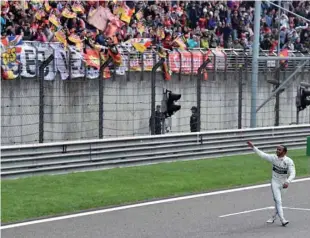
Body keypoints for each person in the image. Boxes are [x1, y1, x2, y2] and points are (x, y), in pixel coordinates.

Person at [247, 141, 296, 226]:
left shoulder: (289, 161)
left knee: (278, 202)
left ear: (284, 152)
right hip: (275, 182)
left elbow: (293, 173)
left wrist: (288, 181)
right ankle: (283, 220)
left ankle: (273, 216)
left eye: (279, 150)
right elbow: (262, 154)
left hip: (284, 183)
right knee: (278, 200)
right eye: (277, 149)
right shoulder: (273, 157)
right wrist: (253, 147)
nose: (277, 151)